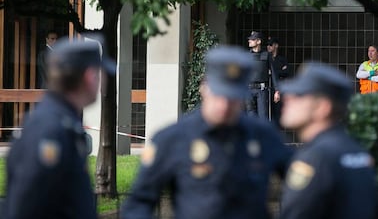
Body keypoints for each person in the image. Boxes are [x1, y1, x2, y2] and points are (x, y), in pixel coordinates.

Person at [121, 46, 293, 219]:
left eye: (232, 97)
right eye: (219, 94)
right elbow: (138, 203)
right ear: (204, 89)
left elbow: (305, 187)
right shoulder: (173, 138)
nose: (224, 105)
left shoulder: (263, 136)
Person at [4, 37, 116, 219]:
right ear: (90, 76)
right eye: (101, 73)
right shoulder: (49, 130)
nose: (104, 81)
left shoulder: (64, 123)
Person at [278, 62, 378, 219]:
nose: (287, 98)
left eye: (299, 95)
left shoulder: (315, 157)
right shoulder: (356, 150)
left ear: (322, 107)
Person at [246, 31, 270, 120]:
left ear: (259, 41)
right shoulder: (247, 56)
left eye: (252, 40)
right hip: (249, 89)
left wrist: (277, 90)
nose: (249, 41)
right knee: (251, 116)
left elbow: (273, 73)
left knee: (263, 116)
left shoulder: (266, 55)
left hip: (262, 89)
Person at [267, 37, 289, 128]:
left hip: (278, 88)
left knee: (278, 112)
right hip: (268, 88)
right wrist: (279, 71)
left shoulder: (282, 59)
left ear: (276, 46)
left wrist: (273, 72)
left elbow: (286, 72)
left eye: (270, 45)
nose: (268, 47)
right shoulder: (266, 59)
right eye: (267, 45)